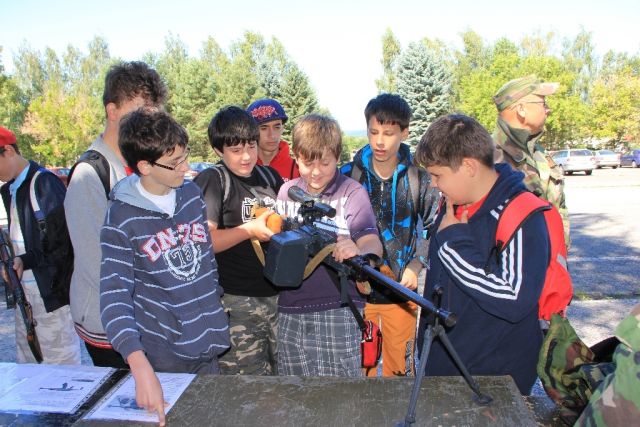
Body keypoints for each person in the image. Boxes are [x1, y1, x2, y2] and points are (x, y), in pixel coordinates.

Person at [100, 110, 229, 426]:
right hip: (163, 358)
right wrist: (139, 365)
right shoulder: (121, 218)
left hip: (208, 344)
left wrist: (214, 306)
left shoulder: (191, 194)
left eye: (185, 156)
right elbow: (114, 296)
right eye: (174, 163)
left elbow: (205, 262)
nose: (186, 167)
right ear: (145, 166)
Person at [414, 114, 549, 395]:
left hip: (495, 380)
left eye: (437, 175)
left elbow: (514, 299)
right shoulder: (454, 203)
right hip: (446, 369)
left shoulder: (521, 215)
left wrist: (453, 246)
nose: (433, 184)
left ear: (469, 166)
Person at [65, 61, 167, 367]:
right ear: (112, 111)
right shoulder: (90, 174)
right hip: (112, 324)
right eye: (140, 112)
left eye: (153, 114)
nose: (148, 122)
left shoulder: (139, 166)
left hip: (145, 317)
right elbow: (98, 265)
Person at [276, 114, 383, 377]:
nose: (315, 171)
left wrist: (361, 253)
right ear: (296, 157)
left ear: (337, 156)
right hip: (290, 310)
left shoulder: (351, 192)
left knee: (339, 394)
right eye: (307, 162)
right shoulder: (286, 192)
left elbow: (371, 240)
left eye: (325, 163)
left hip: (338, 309)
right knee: (294, 392)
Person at [340, 94, 439, 377]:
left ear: (405, 132)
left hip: (402, 292)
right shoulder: (348, 175)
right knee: (362, 369)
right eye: (373, 132)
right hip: (359, 293)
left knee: (400, 372)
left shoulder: (420, 177)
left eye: (389, 133)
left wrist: (416, 265)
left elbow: (433, 226)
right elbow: (335, 227)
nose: (380, 141)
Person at [193, 106, 283, 375]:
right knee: (245, 384)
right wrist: (249, 230)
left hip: (277, 298)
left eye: (251, 146)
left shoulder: (269, 177)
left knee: (281, 378)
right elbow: (204, 242)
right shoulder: (213, 180)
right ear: (218, 150)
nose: (246, 156)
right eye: (236, 150)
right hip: (236, 302)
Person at [0, 126, 81, 364]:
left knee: (61, 371)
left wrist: (24, 260)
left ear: (8, 151)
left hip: (51, 298)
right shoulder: (11, 189)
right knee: (30, 369)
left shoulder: (44, 183)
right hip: (25, 298)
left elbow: (63, 244)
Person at [492, 75, 570, 246]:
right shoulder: (489, 159)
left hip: (551, 258)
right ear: (521, 109)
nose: (548, 110)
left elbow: (560, 207)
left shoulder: (539, 153)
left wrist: (560, 249)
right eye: (543, 103)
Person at [246, 98, 299, 181]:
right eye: (264, 128)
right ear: (251, 131)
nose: (272, 135)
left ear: (282, 128)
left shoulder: (299, 170)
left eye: (277, 127)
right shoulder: (242, 167)